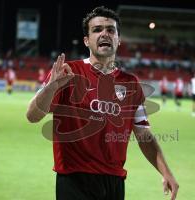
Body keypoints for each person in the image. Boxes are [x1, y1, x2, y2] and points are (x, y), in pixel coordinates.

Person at [26, 6, 178, 200]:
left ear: (118, 39)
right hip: (74, 180)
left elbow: (143, 133)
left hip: (114, 181)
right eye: (97, 30)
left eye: (110, 30)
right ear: (86, 40)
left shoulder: (131, 83)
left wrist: (166, 172)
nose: (104, 34)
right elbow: (32, 116)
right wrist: (51, 87)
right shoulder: (68, 72)